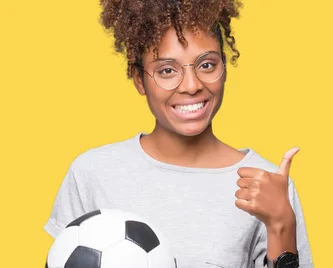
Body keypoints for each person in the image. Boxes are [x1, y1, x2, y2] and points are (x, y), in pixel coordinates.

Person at [43, 0, 313, 267]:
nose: (192, 85)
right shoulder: (93, 173)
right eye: (167, 70)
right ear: (139, 79)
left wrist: (281, 224)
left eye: (207, 65)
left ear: (225, 68)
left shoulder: (267, 183)